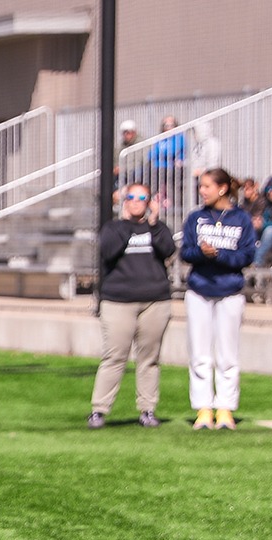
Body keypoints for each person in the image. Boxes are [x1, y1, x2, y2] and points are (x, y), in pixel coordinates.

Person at [91, 182, 175, 428]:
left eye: (142, 197)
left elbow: (167, 249)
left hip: (155, 300)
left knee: (149, 358)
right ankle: (99, 409)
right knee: (114, 356)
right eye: (132, 197)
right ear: (123, 200)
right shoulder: (113, 228)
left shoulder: (157, 228)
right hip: (118, 301)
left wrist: (154, 223)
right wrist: (128, 223)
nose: (137, 201)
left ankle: (147, 409)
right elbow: (109, 251)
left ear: (150, 202)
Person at [181, 167, 258, 430]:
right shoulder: (196, 218)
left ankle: (225, 409)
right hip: (199, 290)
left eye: (206, 186)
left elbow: (247, 256)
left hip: (230, 291)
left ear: (222, 188)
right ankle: (203, 409)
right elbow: (186, 252)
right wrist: (202, 253)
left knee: (228, 354)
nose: (202, 191)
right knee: (200, 353)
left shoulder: (241, 218)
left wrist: (220, 255)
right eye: (201, 187)